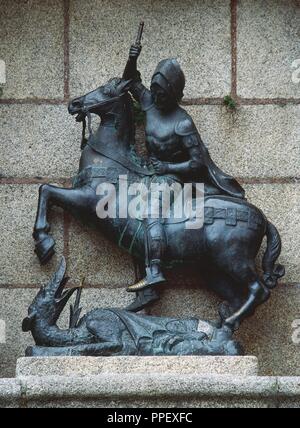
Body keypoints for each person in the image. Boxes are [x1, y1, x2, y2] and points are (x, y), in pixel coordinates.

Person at [123, 45, 245, 293]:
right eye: (155, 92)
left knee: (150, 211)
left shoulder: (183, 123)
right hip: (148, 173)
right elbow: (129, 82)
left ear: (173, 92)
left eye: (162, 94)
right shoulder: (148, 103)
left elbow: (197, 162)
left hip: (171, 177)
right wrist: (131, 59)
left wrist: (167, 166)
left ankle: (154, 270)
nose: (157, 97)